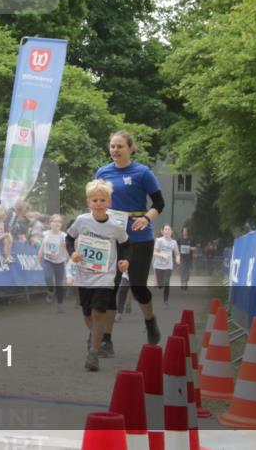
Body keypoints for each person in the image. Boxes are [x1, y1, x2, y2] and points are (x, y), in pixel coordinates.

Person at [94, 130, 165, 353]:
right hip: (111, 237)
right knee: (109, 287)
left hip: (139, 237)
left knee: (138, 287)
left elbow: (159, 203)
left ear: (130, 148)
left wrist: (146, 218)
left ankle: (150, 320)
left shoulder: (142, 172)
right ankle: (106, 339)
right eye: (112, 146)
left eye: (120, 146)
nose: (115, 150)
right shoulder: (103, 172)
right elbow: (97, 203)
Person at [66, 180, 129, 372]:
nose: (99, 203)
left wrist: (125, 260)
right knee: (87, 313)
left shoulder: (115, 225)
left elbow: (126, 244)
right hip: (84, 275)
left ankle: (93, 353)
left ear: (109, 202)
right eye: (95, 200)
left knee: (97, 312)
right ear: (89, 202)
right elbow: (69, 238)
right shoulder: (82, 221)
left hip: (105, 276)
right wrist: (72, 253)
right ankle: (94, 335)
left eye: (103, 200)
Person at [38, 214, 68, 312]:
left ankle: (60, 305)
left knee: (60, 284)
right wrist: (39, 258)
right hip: (48, 260)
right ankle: (50, 292)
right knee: (48, 278)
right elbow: (42, 247)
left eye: (59, 222)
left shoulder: (64, 236)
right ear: (50, 223)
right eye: (55, 221)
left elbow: (67, 249)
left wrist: (67, 261)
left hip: (60, 262)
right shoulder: (45, 234)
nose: (57, 223)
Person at [153, 224, 180, 307]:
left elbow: (177, 253)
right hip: (158, 265)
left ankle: (166, 301)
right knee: (160, 285)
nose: (167, 231)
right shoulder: (159, 240)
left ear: (171, 232)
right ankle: (160, 285)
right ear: (163, 231)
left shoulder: (174, 242)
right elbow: (154, 252)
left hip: (168, 266)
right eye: (165, 229)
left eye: (169, 230)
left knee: (166, 283)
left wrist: (177, 259)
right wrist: (162, 255)